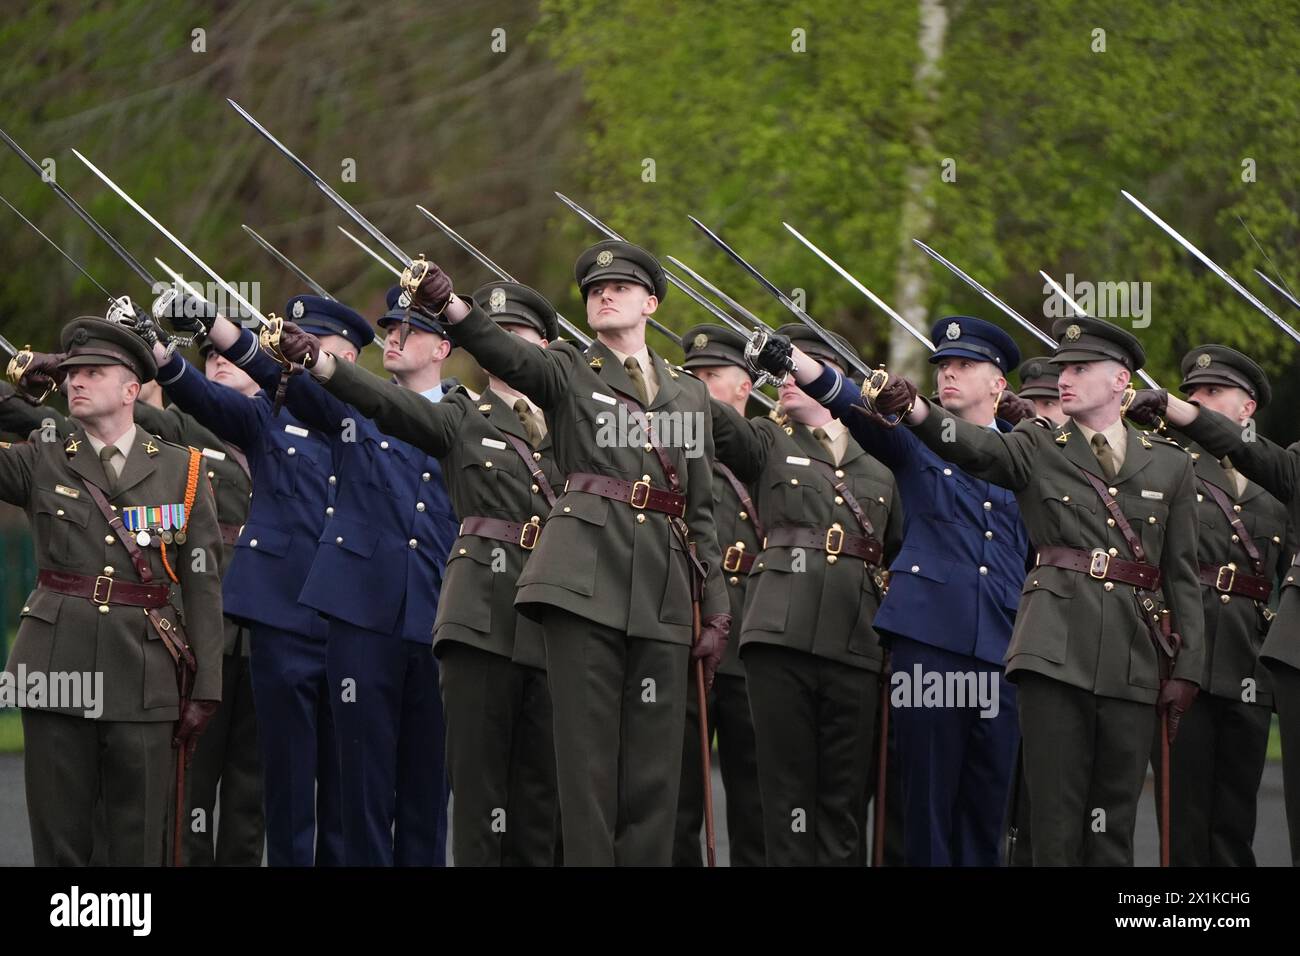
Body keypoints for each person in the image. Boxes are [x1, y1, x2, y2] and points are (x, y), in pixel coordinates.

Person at [856, 315, 1203, 865]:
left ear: (1121, 380)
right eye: (1063, 367)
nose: (1064, 377)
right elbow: (970, 446)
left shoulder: (1168, 463)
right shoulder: (1036, 446)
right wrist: (913, 408)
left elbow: (1180, 574)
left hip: (1129, 657)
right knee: (1049, 819)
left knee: (1111, 820)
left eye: (1081, 368)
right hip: (1046, 650)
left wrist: (1186, 666)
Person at [428, 240, 731, 865]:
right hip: (580, 583)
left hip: (665, 589)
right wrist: (454, 309)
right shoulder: (567, 368)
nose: (604, 294)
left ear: (651, 302)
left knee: (654, 772)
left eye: (619, 287)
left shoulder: (687, 395)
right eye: (594, 290)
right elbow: (508, 353)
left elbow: (701, 510)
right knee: (585, 769)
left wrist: (717, 607)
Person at [280, 281, 563, 866]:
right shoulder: (366, 403)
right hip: (363, 608)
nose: (395, 336)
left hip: (444, 614)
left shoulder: (500, 420)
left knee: (432, 795)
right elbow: (295, 386)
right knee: (361, 788)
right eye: (389, 329)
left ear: (444, 347)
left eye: (410, 329)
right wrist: (253, 341)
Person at [753, 315, 1028, 866]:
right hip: (928, 641)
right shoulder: (916, 442)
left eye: (964, 366)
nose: (948, 374)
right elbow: (849, 401)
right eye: (943, 366)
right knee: (925, 805)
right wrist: (792, 362)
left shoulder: (1028, 454)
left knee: (986, 807)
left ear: (999, 383)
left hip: (1003, 644)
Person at [1, 317, 223, 865]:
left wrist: (206, 688)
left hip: (144, 674)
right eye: (70, 373)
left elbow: (201, 585)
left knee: (141, 838)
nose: (76, 381)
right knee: (60, 839)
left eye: (93, 372)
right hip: (54, 670)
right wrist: (12, 386)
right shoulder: (41, 454)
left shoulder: (183, 470)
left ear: (131, 389)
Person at [711, 323, 901, 865]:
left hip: (857, 640)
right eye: (780, 370)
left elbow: (900, 546)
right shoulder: (767, 441)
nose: (785, 379)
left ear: (834, 378)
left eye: (798, 368)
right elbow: (710, 415)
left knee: (843, 803)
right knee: (786, 798)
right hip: (779, 635)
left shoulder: (882, 458)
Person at [1128, 351, 1300, 865]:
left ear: (1246, 408)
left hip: (1248, 658)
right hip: (1189, 654)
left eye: (1208, 394)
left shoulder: (1278, 481)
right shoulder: (1170, 463)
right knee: (1182, 817)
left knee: (1234, 819)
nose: (1193, 402)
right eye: (1190, 393)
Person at [672, 324, 765, 866]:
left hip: (751, 633)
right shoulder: (674, 448)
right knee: (681, 794)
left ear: (745, 386)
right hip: (690, 628)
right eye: (694, 377)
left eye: (713, 376)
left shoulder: (768, 450)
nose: (701, 387)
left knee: (755, 796)